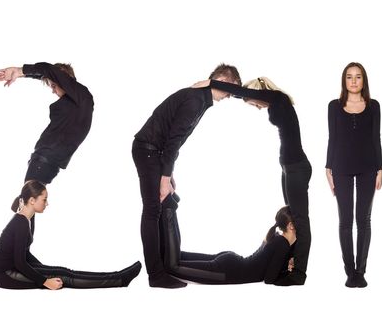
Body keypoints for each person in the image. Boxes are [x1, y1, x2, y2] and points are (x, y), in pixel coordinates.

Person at [191, 77, 312, 286]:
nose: (256, 107)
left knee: (301, 220)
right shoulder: (274, 102)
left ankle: (299, 273)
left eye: (254, 103)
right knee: (291, 214)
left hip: (297, 168)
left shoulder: (278, 98)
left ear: (259, 92)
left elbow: (249, 94)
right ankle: (289, 260)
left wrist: (212, 83)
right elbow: (248, 95)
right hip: (289, 167)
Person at [132, 64, 241, 289]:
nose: (231, 95)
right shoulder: (195, 100)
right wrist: (164, 178)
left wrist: (168, 173)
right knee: (152, 210)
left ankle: (165, 264)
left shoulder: (199, 98)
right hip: (148, 150)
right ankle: (156, 275)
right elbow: (173, 141)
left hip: (155, 152)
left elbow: (174, 140)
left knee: (161, 206)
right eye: (232, 88)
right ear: (222, 80)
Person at [0, 180, 141, 289]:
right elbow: (20, 262)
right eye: (44, 199)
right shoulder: (21, 222)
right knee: (63, 276)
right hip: (7, 276)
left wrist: (44, 269)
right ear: (31, 200)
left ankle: (118, 277)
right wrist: (45, 281)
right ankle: (120, 280)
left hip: (10, 271)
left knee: (60, 271)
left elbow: (24, 253)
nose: (47, 203)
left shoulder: (24, 219)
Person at [325, 62, 382, 288]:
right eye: (349, 77)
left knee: (364, 220)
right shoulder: (333, 106)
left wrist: (380, 168)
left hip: (369, 167)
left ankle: (361, 271)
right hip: (341, 167)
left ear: (364, 80)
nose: (354, 81)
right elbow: (332, 138)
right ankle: (349, 272)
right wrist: (328, 168)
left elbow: (376, 137)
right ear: (344, 81)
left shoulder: (374, 105)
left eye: (358, 77)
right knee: (345, 221)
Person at [0, 62, 94, 184]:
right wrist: (22, 75)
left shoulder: (82, 96)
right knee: (32, 199)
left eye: (54, 85)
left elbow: (47, 69)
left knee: (29, 199)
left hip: (45, 160)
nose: (53, 91)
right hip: (45, 160)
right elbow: (46, 73)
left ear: (64, 78)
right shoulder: (77, 100)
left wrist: (20, 70)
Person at [163, 200, 295, 285]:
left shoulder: (276, 236)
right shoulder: (282, 244)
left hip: (231, 262)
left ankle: (169, 209)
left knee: (178, 257)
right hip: (228, 271)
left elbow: (267, 267)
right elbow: (269, 279)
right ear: (290, 226)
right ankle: (168, 208)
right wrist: (289, 274)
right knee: (172, 266)